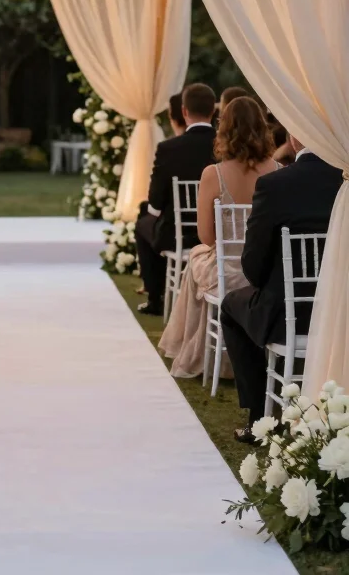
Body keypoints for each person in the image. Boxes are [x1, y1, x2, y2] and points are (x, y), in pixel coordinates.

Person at [221, 136, 342, 440]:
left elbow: (252, 267)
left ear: (292, 137)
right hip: (341, 313)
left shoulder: (274, 185)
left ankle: (259, 418)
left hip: (288, 316)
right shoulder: (344, 180)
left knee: (230, 306)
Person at [159, 97, 278, 377]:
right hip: (264, 273)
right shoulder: (278, 172)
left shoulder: (214, 174)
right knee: (199, 261)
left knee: (198, 258)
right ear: (262, 127)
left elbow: (207, 236)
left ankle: (200, 353)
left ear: (224, 128)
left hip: (228, 271)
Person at [136, 83, 217, 315]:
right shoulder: (225, 145)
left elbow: (156, 203)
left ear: (184, 111)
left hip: (177, 236)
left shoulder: (168, 148)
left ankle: (155, 297)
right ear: (213, 111)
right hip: (217, 233)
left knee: (144, 222)